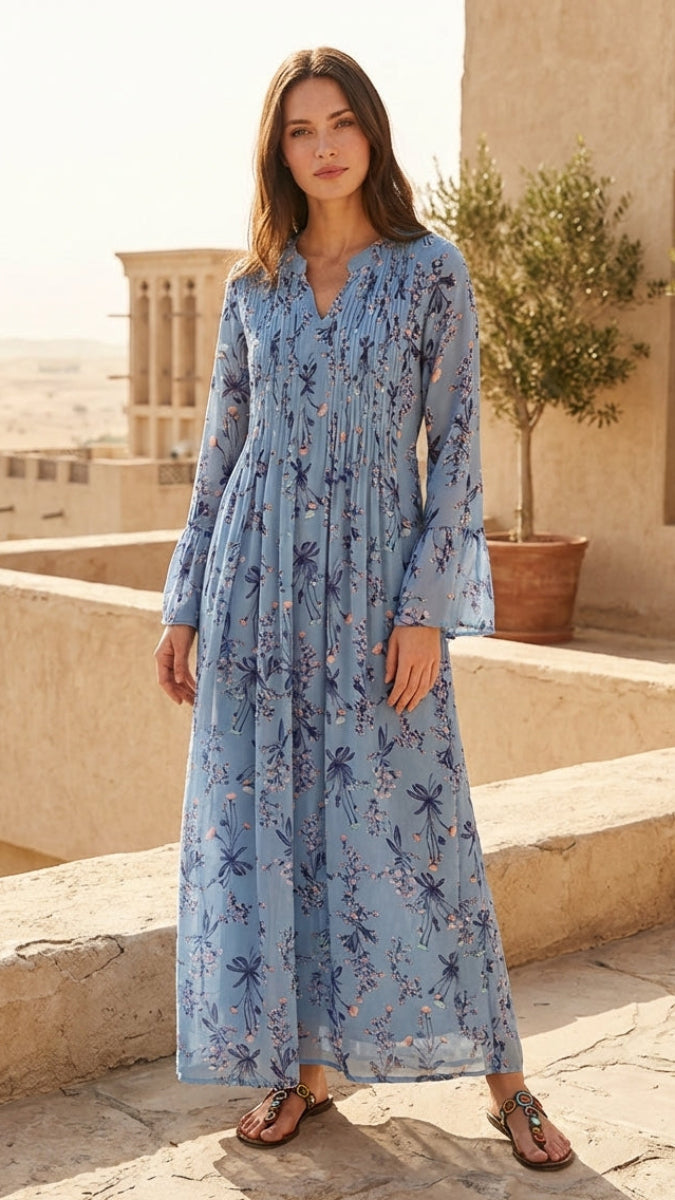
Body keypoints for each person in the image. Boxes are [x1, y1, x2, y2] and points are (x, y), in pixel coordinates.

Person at [154, 46, 573, 1171]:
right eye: (301, 129)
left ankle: (506, 1079)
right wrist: (186, 600)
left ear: (373, 135)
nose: (325, 144)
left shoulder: (431, 271)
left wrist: (426, 607)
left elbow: (459, 454)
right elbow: (221, 454)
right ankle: (297, 1074)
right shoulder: (254, 285)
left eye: (342, 122)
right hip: (255, 592)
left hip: (377, 595)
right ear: (277, 150)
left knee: (425, 832)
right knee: (272, 833)